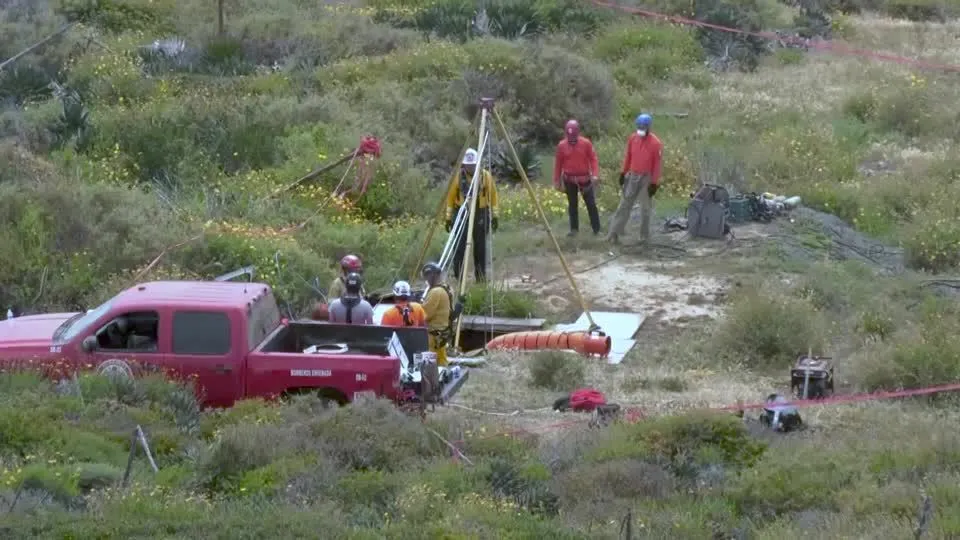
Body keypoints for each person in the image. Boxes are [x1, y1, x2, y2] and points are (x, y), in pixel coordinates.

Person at [608, 113, 663, 245]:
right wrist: (623, 172)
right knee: (624, 205)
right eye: (639, 126)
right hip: (632, 176)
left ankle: (643, 237)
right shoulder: (633, 139)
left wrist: (654, 183)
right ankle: (614, 233)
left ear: (648, 127)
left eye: (643, 127)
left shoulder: (656, 143)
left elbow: (657, 165)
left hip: (646, 178)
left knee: (645, 209)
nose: (641, 129)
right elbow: (628, 156)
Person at [445, 148, 499, 283]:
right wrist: (448, 218)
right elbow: (451, 199)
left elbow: (493, 196)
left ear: (478, 163)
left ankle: (480, 278)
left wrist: (495, 215)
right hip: (462, 213)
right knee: (459, 247)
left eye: (473, 164)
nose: (471, 167)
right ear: (464, 165)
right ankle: (459, 278)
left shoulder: (485, 176)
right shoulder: (458, 178)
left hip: (481, 213)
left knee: (480, 248)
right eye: (468, 165)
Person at [554, 119, 601, 237]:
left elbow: (593, 159)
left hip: (584, 180)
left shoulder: (586, 143)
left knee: (591, 204)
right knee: (572, 205)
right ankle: (574, 230)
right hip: (569, 180)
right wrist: (556, 181)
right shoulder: (562, 146)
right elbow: (558, 164)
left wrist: (595, 175)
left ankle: (597, 229)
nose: (572, 140)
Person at [420, 262, 453, 367]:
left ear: (432, 275)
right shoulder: (447, 288)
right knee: (442, 362)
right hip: (442, 333)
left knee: (430, 366)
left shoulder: (435, 292)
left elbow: (425, 314)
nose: (427, 280)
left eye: (427, 277)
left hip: (433, 337)